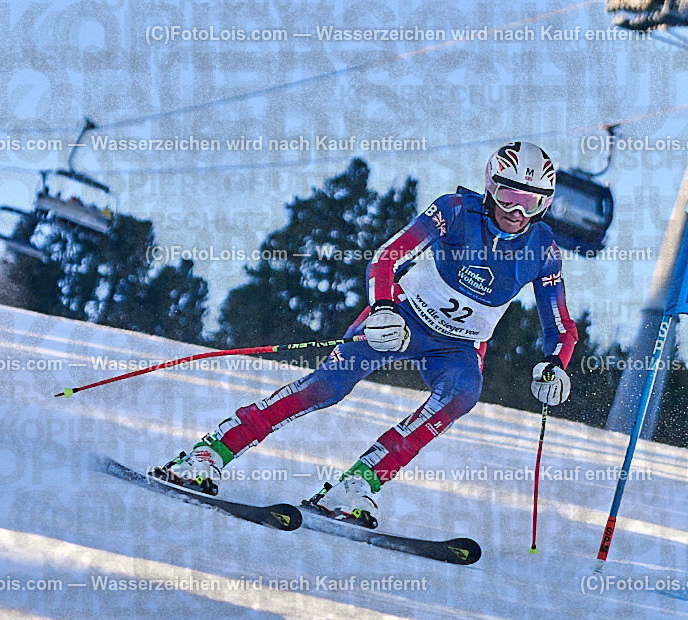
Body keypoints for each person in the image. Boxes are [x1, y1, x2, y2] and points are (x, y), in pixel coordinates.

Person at [152, 141, 578, 528]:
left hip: (457, 346)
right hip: (402, 319)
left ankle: (360, 483)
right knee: (328, 386)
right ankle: (211, 451)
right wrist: (385, 307)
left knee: (465, 391)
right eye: (508, 195)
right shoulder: (454, 210)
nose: (516, 211)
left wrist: (555, 364)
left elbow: (558, 323)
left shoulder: (543, 249)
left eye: (531, 201)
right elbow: (387, 257)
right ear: (490, 185)